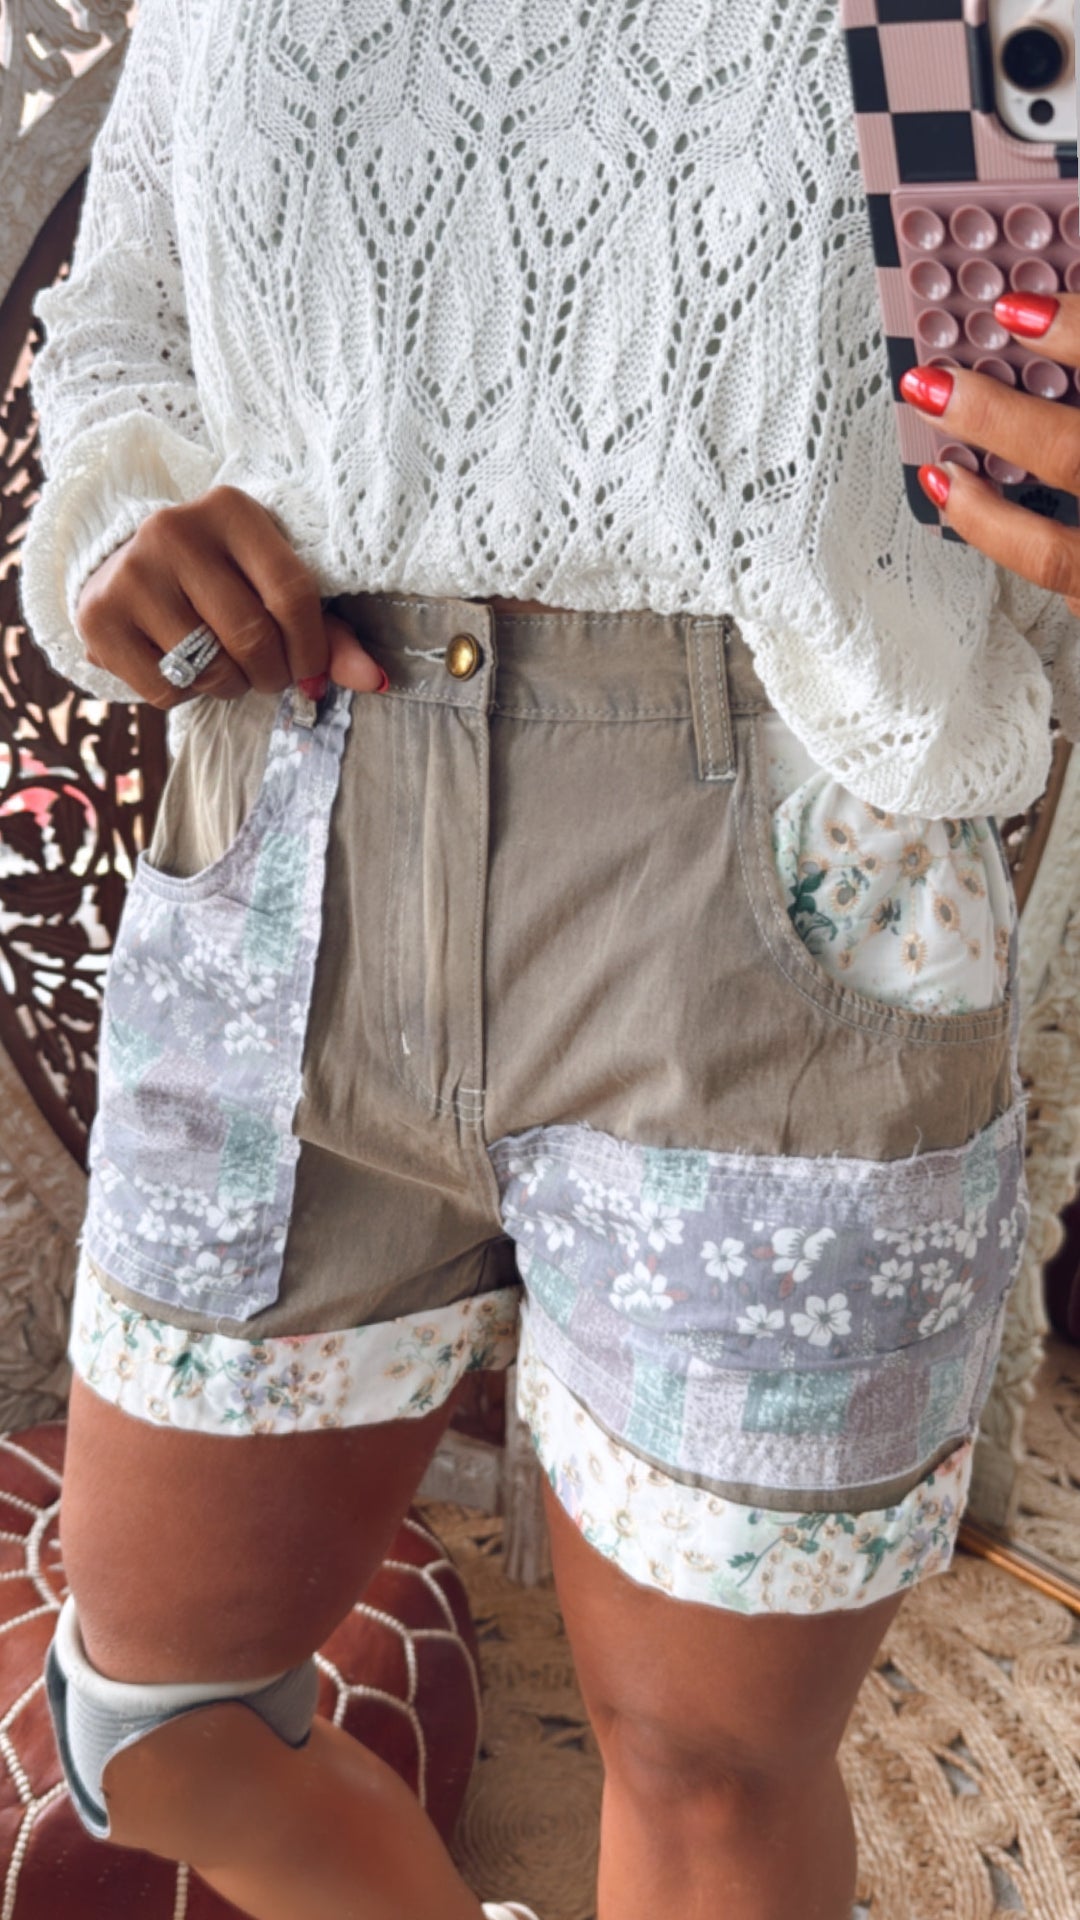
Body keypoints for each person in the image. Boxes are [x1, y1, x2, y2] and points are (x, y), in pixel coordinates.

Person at [16, 5, 1080, 1918]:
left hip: (779, 894)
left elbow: (1017, 350)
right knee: (156, 1719)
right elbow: (123, 322)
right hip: (289, 847)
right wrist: (116, 518)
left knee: (708, 1786)